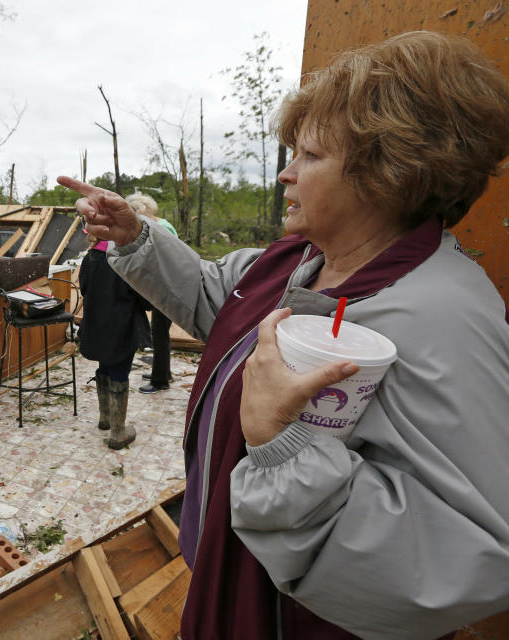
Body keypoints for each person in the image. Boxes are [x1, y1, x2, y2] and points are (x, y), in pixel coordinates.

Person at [58, 31, 509, 639]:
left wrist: (282, 452)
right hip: (234, 570)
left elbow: (467, 557)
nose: (285, 175)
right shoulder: (296, 261)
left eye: (310, 157)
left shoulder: (445, 319)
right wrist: (137, 234)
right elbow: (214, 300)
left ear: (389, 172)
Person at [78, 217, 150, 449]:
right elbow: (143, 297)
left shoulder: (90, 258)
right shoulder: (124, 258)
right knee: (120, 369)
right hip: (122, 325)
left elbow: (85, 289)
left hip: (97, 325)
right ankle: (118, 432)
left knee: (105, 365)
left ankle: (106, 418)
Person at [125, 193, 178, 394]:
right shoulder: (162, 223)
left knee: (160, 334)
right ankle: (165, 372)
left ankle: (160, 380)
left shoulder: (160, 229)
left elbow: (161, 261)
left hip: (167, 288)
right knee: (160, 333)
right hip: (167, 286)